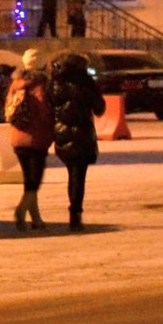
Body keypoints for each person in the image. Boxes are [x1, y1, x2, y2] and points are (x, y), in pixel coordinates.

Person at [49, 52, 106, 229]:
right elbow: (99, 108)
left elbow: (49, 105)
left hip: (61, 132)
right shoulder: (86, 82)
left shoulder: (54, 82)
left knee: (72, 173)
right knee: (78, 175)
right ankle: (75, 212)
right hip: (82, 133)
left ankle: (75, 210)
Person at [4, 49, 54, 231]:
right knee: (34, 181)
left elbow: (8, 107)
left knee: (29, 180)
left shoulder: (15, 83)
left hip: (17, 136)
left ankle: (36, 218)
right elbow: (44, 111)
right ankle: (21, 209)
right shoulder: (41, 84)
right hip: (36, 137)